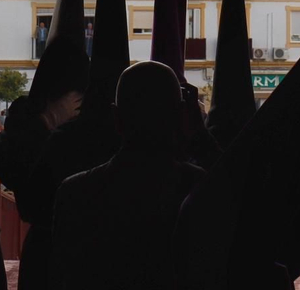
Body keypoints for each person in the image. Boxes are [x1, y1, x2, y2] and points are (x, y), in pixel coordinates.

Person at [50, 63, 205, 290]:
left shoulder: (74, 193)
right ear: (180, 115)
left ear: (117, 117)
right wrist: (201, 138)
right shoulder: (198, 190)